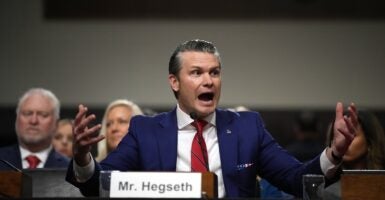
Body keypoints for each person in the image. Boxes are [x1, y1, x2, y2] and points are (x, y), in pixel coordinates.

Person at [66, 39, 358, 198]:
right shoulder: (145, 130)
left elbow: (296, 180)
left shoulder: (247, 127)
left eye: (214, 73)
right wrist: (81, 157)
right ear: (174, 82)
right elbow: (99, 187)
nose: (209, 81)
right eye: (196, 73)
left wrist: (334, 153)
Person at [0, 88, 69, 170]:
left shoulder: (68, 168)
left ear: (56, 124)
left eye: (43, 115)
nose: (33, 121)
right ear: (17, 120)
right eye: (27, 113)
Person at [323, 110, 385, 199]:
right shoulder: (324, 188)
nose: (344, 141)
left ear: (370, 142)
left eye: (353, 135)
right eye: (339, 134)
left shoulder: (381, 184)